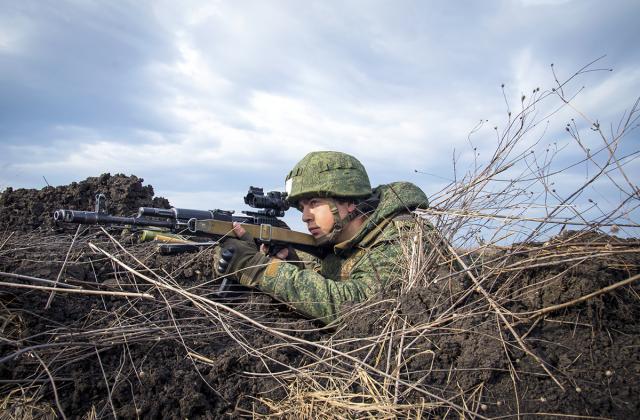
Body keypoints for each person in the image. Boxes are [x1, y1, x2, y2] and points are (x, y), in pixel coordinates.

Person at [214, 151, 429, 324]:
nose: (306, 217)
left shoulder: (402, 234)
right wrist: (290, 263)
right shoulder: (341, 244)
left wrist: (259, 268)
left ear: (348, 202)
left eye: (314, 203)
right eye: (302, 207)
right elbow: (326, 286)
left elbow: (356, 308)